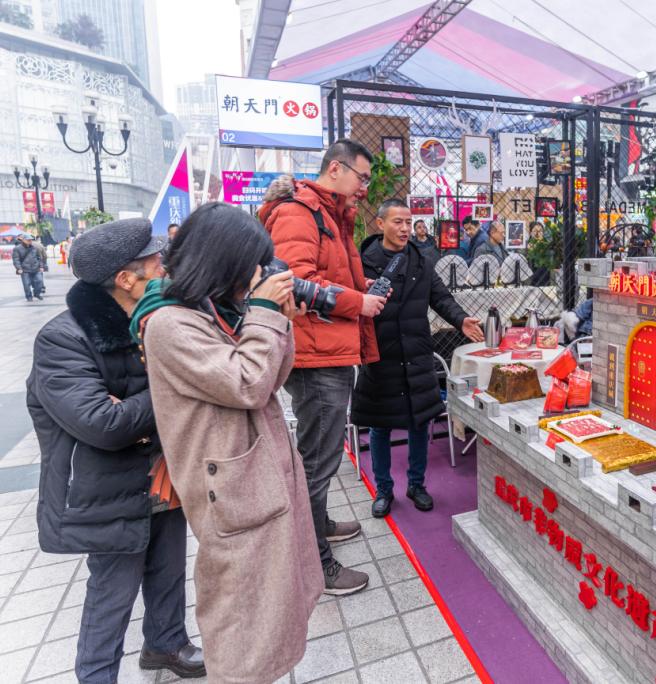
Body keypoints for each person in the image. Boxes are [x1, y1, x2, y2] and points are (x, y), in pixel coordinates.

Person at [134, 202, 321, 682]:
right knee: (240, 617)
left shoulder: (212, 310)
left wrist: (280, 321)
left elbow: (270, 379)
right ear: (221, 261)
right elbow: (247, 384)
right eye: (248, 268)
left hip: (256, 478)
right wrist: (261, 313)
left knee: (274, 602)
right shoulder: (169, 325)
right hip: (233, 492)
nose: (253, 278)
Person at [27, 218, 204, 683]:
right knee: (113, 593)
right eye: (155, 262)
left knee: (168, 569)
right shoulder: (62, 339)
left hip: (161, 471)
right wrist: (172, 386)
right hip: (104, 491)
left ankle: (166, 645)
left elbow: (130, 410)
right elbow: (101, 424)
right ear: (126, 279)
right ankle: (97, 675)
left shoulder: (152, 318)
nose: (165, 268)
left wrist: (136, 404)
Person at [258, 140, 387, 595]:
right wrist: (358, 300)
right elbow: (290, 280)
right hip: (316, 357)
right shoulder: (300, 212)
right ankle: (317, 563)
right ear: (336, 169)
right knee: (317, 460)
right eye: (363, 178)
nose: (365, 189)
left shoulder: (327, 214)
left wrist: (358, 283)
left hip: (328, 349)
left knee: (322, 455)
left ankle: (320, 526)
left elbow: (319, 275)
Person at [353, 199, 484, 518]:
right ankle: (383, 489)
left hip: (416, 353)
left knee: (419, 422)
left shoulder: (421, 260)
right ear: (380, 224)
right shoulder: (362, 262)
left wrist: (461, 319)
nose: (404, 229)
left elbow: (440, 296)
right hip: (380, 356)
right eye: (397, 222)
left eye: (409, 222)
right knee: (380, 427)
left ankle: (416, 484)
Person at [13, 233, 46, 301]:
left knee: (39, 281)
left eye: (31, 240)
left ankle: (37, 294)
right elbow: (16, 259)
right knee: (26, 284)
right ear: (23, 240)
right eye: (28, 240)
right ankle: (29, 296)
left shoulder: (34, 247)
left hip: (36, 268)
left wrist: (41, 266)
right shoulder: (17, 249)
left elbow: (39, 257)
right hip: (25, 270)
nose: (30, 241)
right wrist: (19, 268)